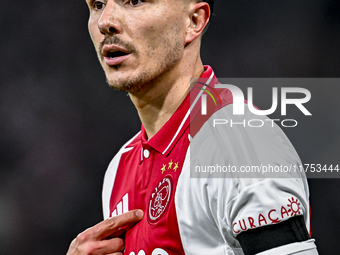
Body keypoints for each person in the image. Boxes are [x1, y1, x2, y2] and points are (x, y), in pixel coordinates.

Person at [67, 0, 318, 254]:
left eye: (134, 1)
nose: (105, 21)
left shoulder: (239, 142)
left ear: (194, 21)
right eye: (97, 4)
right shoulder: (119, 168)